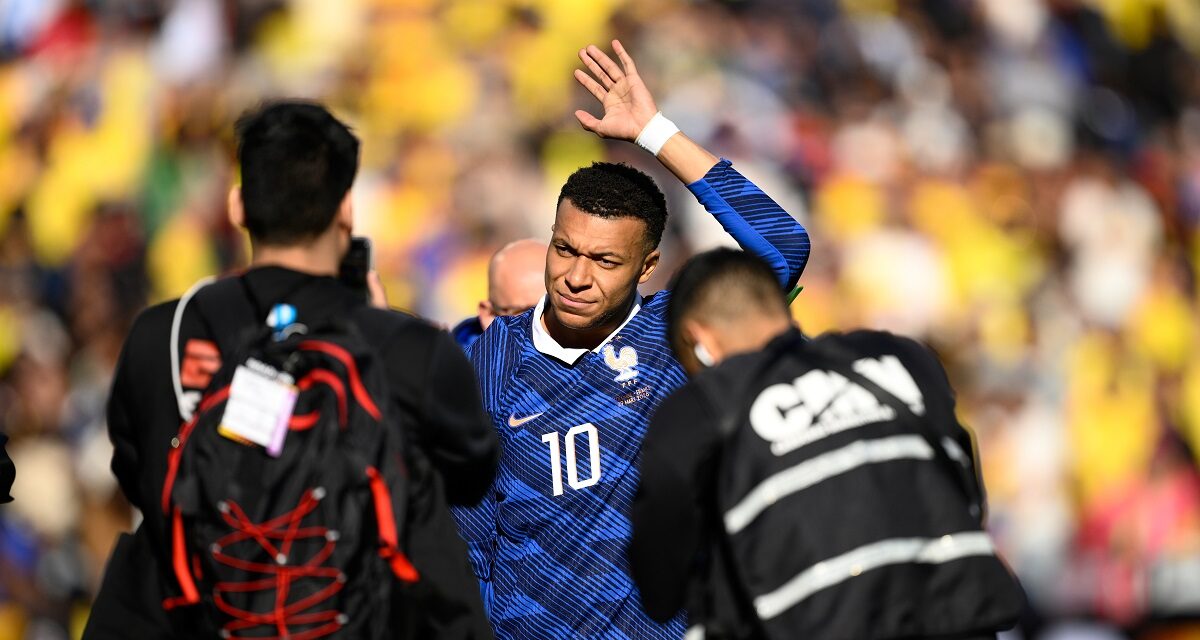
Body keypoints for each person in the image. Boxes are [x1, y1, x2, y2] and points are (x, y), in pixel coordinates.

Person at [84, 102, 498, 640]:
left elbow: (139, 476)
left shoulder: (161, 335)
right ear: (346, 209)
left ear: (238, 206)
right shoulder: (410, 350)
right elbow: (471, 477)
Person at [452, 41, 810, 639]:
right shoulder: (488, 360)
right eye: (564, 249)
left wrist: (654, 133)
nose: (575, 276)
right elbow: (470, 543)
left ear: (647, 268)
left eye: (604, 261)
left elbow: (782, 248)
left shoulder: (676, 335)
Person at [630, 249, 1021, 639]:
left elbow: (660, 587)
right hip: (964, 617)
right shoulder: (903, 356)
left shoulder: (702, 404)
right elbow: (966, 493)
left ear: (699, 340)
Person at [452, 238, 547, 350]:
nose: (545, 325)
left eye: (552, 308)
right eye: (527, 313)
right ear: (489, 316)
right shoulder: (455, 360)